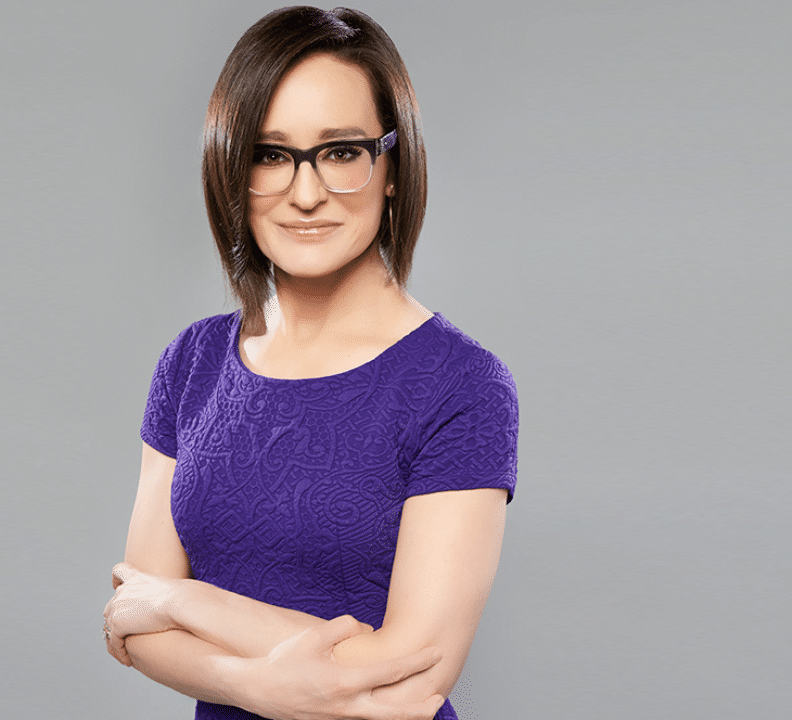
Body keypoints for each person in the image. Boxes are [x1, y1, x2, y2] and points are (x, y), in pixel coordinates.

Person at [102, 7, 518, 720]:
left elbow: (414, 678)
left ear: (393, 166)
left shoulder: (463, 385)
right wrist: (252, 688)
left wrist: (185, 599)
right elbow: (133, 627)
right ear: (232, 170)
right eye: (270, 154)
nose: (305, 191)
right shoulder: (192, 362)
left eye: (341, 151)